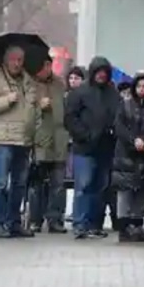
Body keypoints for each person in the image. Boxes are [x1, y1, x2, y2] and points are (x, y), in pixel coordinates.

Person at [0, 46, 38, 238]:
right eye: (13, 59)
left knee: (20, 183)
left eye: (20, 59)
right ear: (5, 60)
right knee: (0, 184)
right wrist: (5, 100)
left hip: (24, 139)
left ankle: (14, 222)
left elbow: (32, 107)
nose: (17, 63)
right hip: (2, 139)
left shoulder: (28, 80)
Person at [64, 56, 120, 239]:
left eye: (105, 73)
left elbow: (118, 114)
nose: (101, 76)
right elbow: (70, 118)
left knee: (101, 187)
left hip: (105, 147)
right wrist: (84, 135)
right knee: (84, 186)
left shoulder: (113, 92)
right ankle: (80, 224)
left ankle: (95, 224)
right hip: (85, 147)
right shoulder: (80, 92)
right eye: (99, 72)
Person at [112, 71, 144, 243]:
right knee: (125, 193)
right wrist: (134, 141)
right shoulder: (125, 105)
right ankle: (124, 227)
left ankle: (137, 224)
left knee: (140, 192)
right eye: (139, 86)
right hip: (125, 154)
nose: (141, 89)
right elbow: (119, 127)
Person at [29, 56, 68, 234]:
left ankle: (55, 219)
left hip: (59, 139)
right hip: (39, 140)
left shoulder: (60, 84)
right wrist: (38, 106)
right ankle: (35, 219)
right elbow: (23, 111)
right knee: (37, 184)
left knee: (58, 184)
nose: (44, 69)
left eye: (46, 65)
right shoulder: (30, 84)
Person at [64, 66, 85, 223]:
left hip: (77, 141)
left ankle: (77, 212)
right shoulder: (65, 96)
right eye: (71, 78)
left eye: (76, 78)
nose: (73, 81)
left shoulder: (85, 97)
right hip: (64, 141)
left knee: (79, 179)